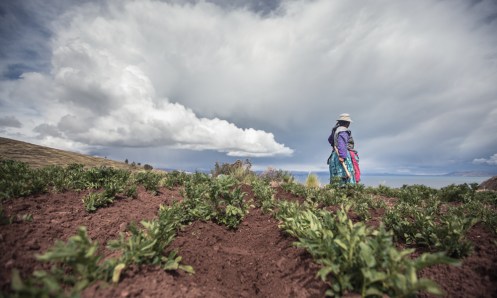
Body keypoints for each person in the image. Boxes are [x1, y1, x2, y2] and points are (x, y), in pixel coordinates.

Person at [327, 113, 360, 184]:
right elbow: (342, 143)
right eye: (348, 123)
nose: (349, 124)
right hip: (343, 155)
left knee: (336, 176)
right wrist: (342, 156)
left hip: (335, 155)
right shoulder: (343, 131)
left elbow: (330, 140)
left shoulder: (336, 130)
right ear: (347, 123)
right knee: (344, 176)